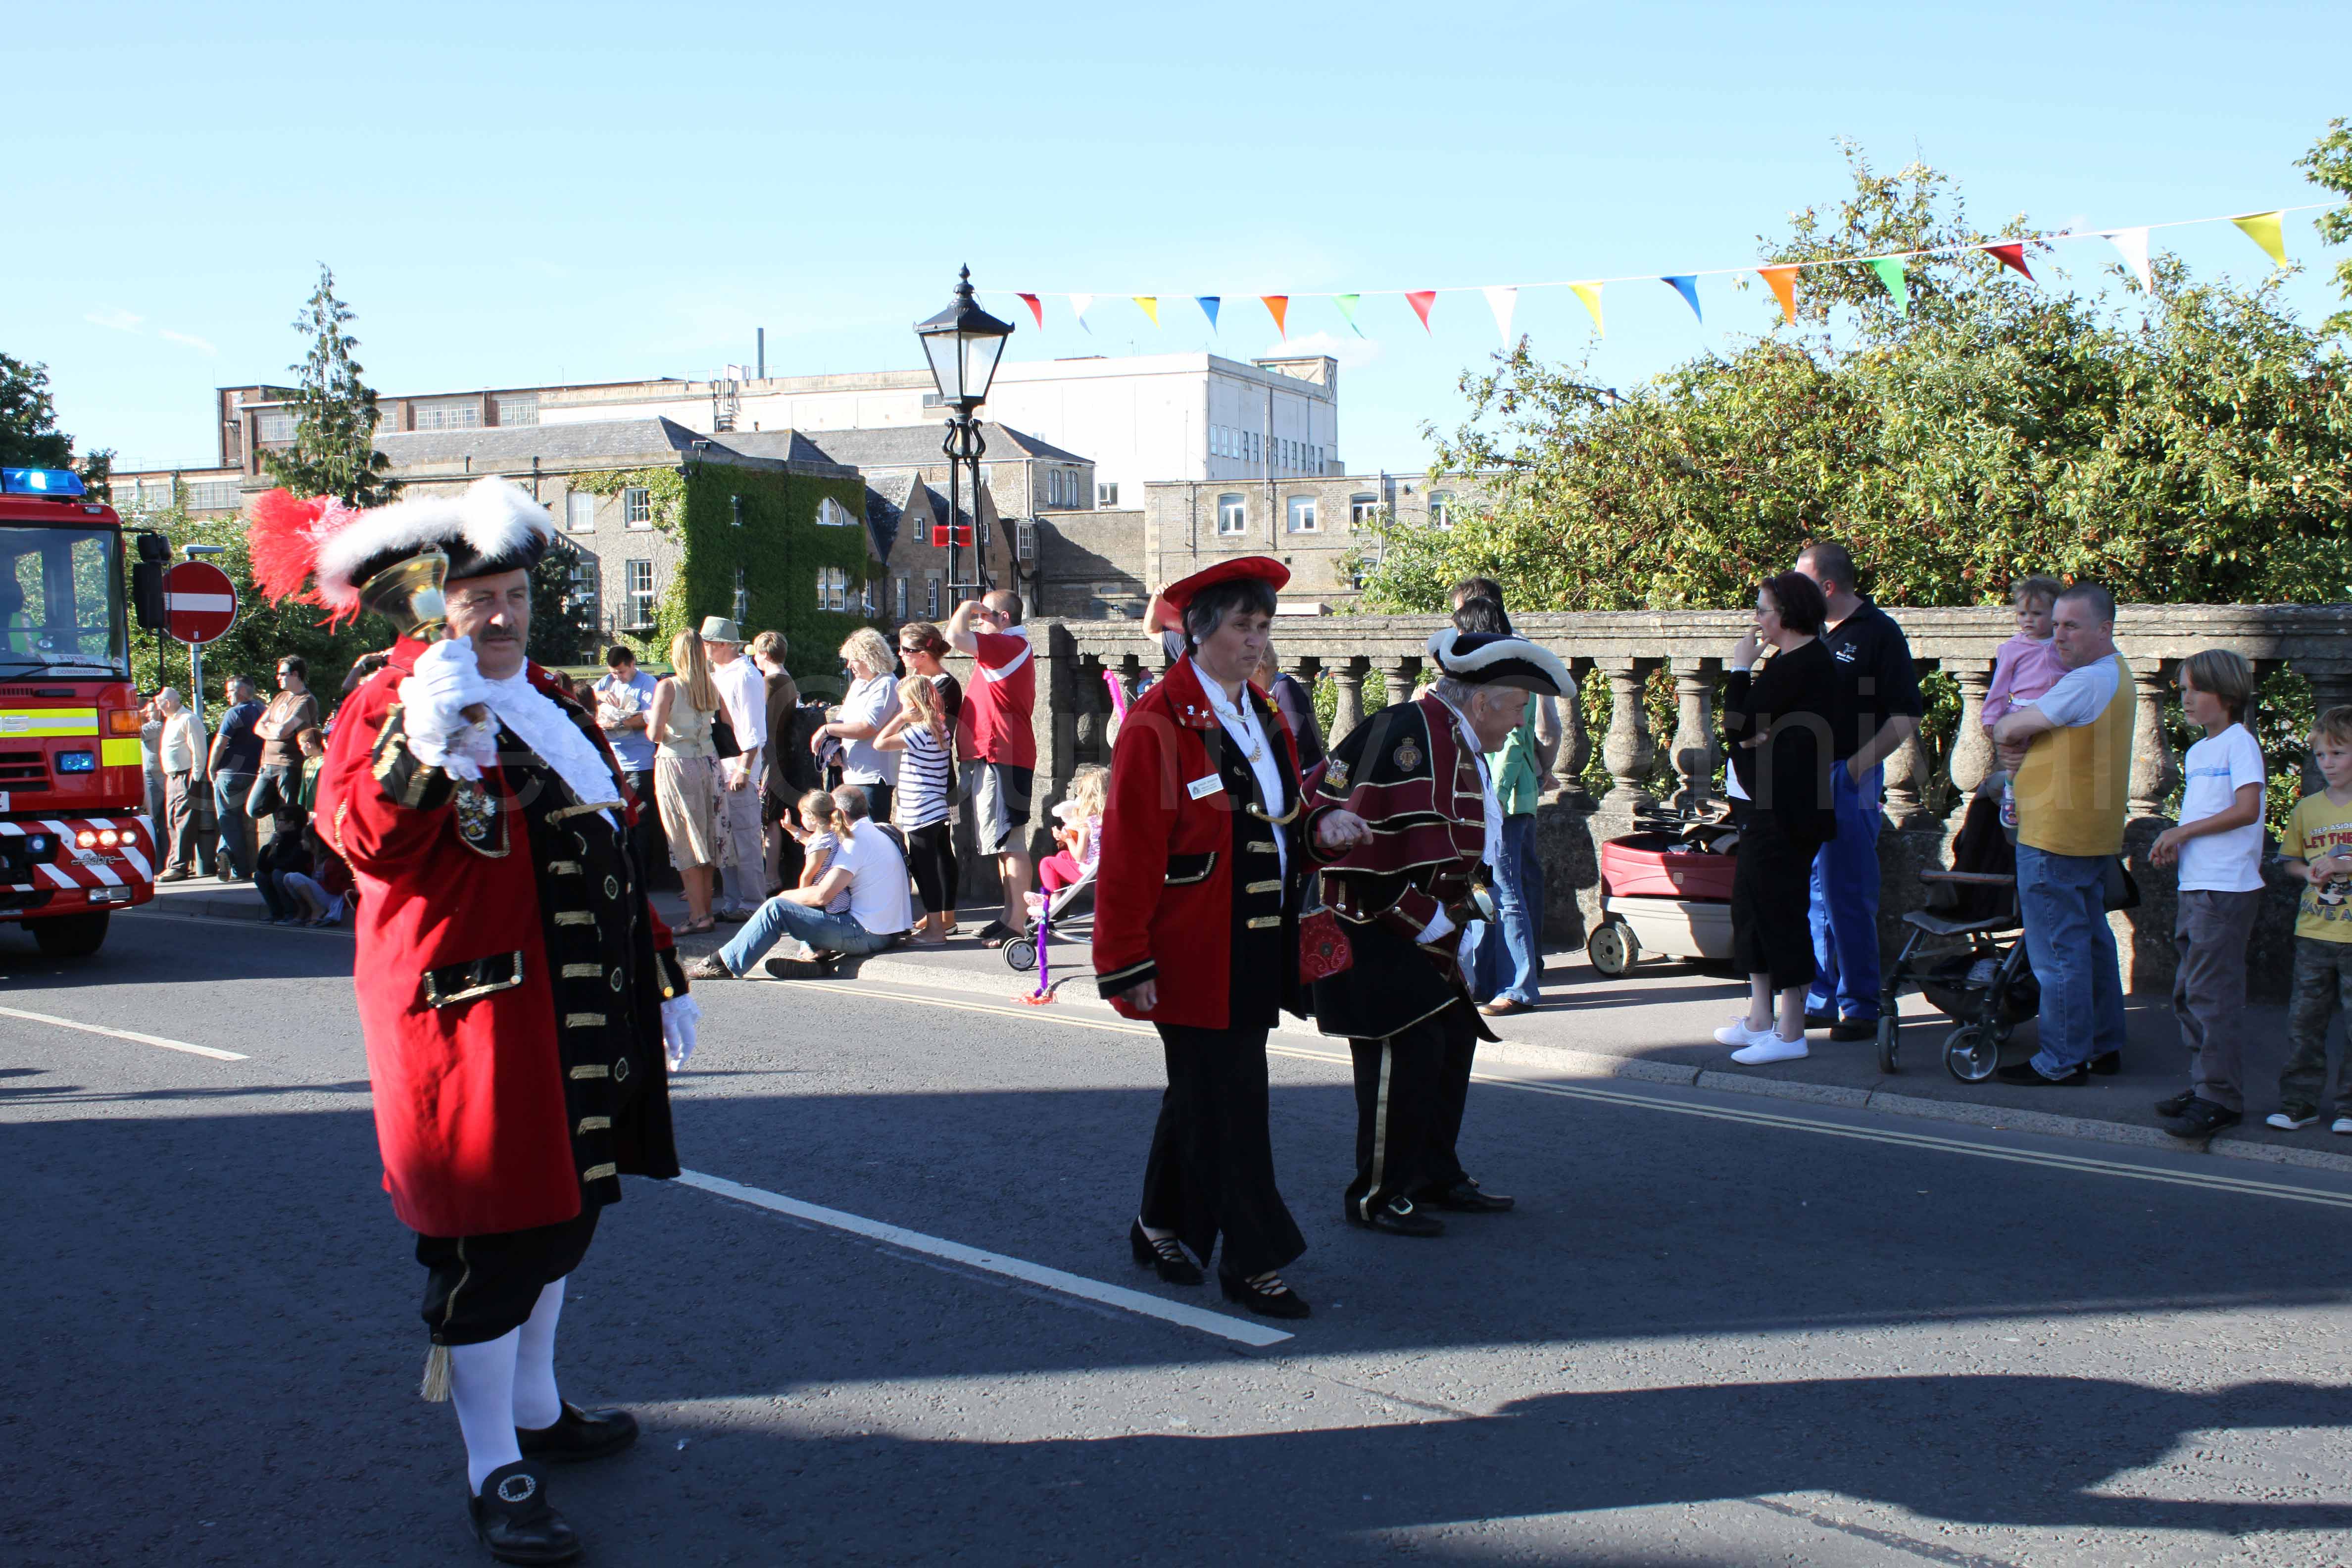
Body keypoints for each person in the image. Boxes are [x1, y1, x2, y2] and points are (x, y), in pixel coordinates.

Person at [255, 474, 698, 1565]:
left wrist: (661, 969)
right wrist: (421, 742)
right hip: (472, 1022)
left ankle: (538, 1407)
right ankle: (493, 1466)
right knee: (494, 1243)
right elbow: (361, 845)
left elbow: (602, 841)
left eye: (513, 596)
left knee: (569, 1213)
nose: (500, 617)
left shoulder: (546, 697)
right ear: (437, 606)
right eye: (476, 600)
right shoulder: (389, 700)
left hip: (581, 1006)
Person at [1095, 557, 1369, 1320]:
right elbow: (1129, 853)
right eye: (1244, 626)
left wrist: (1321, 829)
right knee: (1232, 1107)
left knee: (1202, 1094)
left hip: (1257, 940)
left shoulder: (1261, 711)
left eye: (1264, 626)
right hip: (1191, 950)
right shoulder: (1157, 722)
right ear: (1199, 631)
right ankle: (1254, 1262)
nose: (1257, 641)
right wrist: (1124, 960)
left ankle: (1159, 1225)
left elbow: (1280, 814)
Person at [1307, 624, 1570, 1238]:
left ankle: (1432, 1175)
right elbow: (1344, 835)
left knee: (1453, 1039)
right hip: (1372, 924)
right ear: (1479, 702)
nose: (1519, 722)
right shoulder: (1405, 730)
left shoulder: (1454, 735)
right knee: (1406, 1049)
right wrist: (1423, 917)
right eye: (1516, 708)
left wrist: (1454, 915)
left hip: (1426, 928)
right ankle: (1377, 1195)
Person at [1990, 582, 2135, 1085]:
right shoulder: (2118, 673)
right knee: (2092, 944)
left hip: (2054, 832)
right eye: (2055, 625)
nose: (2058, 636)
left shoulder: (2085, 682)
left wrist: (2009, 735)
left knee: (2057, 952)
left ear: (2105, 628)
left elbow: (2009, 727)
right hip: (2090, 830)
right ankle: (2103, 1045)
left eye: (2071, 626)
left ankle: (2061, 1059)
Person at [1791, 542, 1924, 1041]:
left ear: (1828, 586)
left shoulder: (1878, 633)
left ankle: (1861, 1005)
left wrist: (1853, 771)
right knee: (1812, 894)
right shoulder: (1810, 631)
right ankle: (1821, 998)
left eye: (1802, 582)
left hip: (1850, 777)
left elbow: (1906, 715)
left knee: (1847, 892)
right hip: (1804, 776)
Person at [1712, 572, 1842, 1065]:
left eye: (1762, 610)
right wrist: (1750, 737)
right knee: (1751, 907)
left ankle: (1791, 1033)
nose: (1757, 619)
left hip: (1786, 810)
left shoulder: (1806, 663)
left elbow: (1738, 725)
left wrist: (1739, 670)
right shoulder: (1788, 662)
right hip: (1760, 802)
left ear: (1785, 614)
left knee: (1780, 912)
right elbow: (1746, 732)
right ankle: (1759, 1018)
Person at [2148, 650, 2266, 1137]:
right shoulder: (2200, 752)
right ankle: (2205, 1086)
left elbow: (2246, 809)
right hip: (2197, 885)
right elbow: (2207, 814)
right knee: (2189, 994)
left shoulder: (2240, 743)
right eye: (2182, 690)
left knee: (2212, 997)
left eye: (2197, 689)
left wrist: (2181, 832)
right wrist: (2179, 843)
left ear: (2228, 693)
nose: (2186, 698)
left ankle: (2221, 1098)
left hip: (2226, 888)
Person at [1446, 589, 1560, 1017]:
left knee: (1506, 891)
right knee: (1495, 886)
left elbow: (1513, 741)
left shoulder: (1503, 675)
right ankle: (1495, 978)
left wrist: (1495, 792)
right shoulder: (1514, 665)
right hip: (1513, 789)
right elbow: (1542, 734)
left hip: (1503, 794)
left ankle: (1518, 987)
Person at [688, 781, 913, 980]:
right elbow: (820, 848)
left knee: (777, 908)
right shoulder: (879, 832)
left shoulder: (854, 842)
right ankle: (815, 958)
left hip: (866, 935)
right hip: (888, 933)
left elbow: (823, 895)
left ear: (841, 813)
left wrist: (784, 897)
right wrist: (795, 832)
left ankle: (723, 964)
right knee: (805, 904)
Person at [2267, 706, 2352, 1136]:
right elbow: (2291, 861)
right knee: (2304, 1023)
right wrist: (2311, 872)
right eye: (2321, 755)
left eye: (2338, 753)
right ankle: (2299, 1103)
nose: (2328, 764)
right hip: (2314, 932)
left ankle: (2350, 1106)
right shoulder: (2307, 809)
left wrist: (2342, 863)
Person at [947, 589, 1037, 943]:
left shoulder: (1008, 645)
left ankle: (1018, 922)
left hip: (1004, 753)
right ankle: (1008, 915)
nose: (979, 622)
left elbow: (954, 637)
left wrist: (966, 607)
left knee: (1012, 841)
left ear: (1004, 618)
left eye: (985, 616)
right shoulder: (1006, 647)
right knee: (1002, 843)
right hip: (996, 753)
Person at [647, 629, 722, 934]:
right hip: (708, 762)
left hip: (677, 763)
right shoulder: (710, 686)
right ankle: (706, 913)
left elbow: (654, 734)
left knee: (685, 838)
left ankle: (697, 915)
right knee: (706, 838)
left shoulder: (668, 687)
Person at [876, 672, 958, 944]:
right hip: (933, 808)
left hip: (922, 811)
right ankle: (936, 924)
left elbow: (880, 743)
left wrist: (900, 719)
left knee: (925, 871)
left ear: (913, 704)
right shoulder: (939, 728)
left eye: (903, 703)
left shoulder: (920, 732)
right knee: (930, 867)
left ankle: (936, 930)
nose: (901, 708)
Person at [1980, 575, 2067, 831]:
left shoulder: (2063, 644)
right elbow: (1999, 687)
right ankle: (2011, 794)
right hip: (2022, 710)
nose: (2028, 620)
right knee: (2017, 758)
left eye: (2037, 614)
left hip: (2056, 711)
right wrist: (1990, 717)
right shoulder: (2012, 648)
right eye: (2022, 614)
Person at [700, 616, 770, 921]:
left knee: (745, 837)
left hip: (738, 766)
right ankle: (733, 902)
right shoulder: (720, 674)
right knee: (725, 839)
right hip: (722, 765)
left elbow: (754, 728)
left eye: (707, 643)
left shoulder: (745, 675)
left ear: (722, 645)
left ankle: (752, 901)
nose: (703, 648)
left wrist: (745, 768)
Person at [813, 628, 900, 824]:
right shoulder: (858, 684)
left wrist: (826, 729)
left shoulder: (887, 684)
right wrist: (833, 749)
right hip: (851, 773)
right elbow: (842, 721)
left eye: (854, 660)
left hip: (874, 777)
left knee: (871, 831)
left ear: (870, 657)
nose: (849, 665)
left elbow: (867, 728)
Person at [593, 645, 662, 880]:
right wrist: (601, 695)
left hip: (639, 764)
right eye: (614, 673)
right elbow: (590, 693)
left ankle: (643, 876)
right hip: (615, 762)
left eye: (621, 672)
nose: (618, 677)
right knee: (619, 819)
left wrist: (619, 724)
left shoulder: (647, 683)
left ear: (633, 664)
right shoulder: (609, 682)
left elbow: (651, 718)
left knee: (641, 820)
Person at [748, 631, 802, 887]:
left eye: (756, 653)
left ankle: (770, 876)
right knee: (775, 818)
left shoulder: (769, 683)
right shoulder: (787, 680)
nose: (754, 659)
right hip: (781, 756)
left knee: (769, 819)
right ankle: (772, 876)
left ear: (765, 654)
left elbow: (763, 727)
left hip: (770, 759)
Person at [246, 655, 320, 820]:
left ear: (295, 674)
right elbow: (258, 727)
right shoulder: (280, 697)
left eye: (282, 674)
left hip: (289, 765)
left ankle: (291, 833)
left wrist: (271, 728)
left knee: (288, 816)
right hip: (268, 764)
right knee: (254, 808)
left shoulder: (307, 701)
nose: (278, 677)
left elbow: (283, 730)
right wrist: (275, 731)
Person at [1030, 764, 1107, 923]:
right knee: (1063, 856)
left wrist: (1068, 839)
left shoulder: (1088, 825)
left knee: (1048, 863)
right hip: (1105, 869)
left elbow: (1080, 857)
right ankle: (1060, 903)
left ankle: (1053, 902)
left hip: (1092, 873)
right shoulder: (1107, 819)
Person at [208, 675, 264, 881]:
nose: (227, 695)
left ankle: (237, 865)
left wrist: (211, 768)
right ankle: (230, 857)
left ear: (240, 691)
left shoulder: (235, 713)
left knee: (229, 821)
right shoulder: (263, 710)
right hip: (254, 774)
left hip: (229, 774)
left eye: (230, 691)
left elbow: (220, 743)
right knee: (246, 823)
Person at [153, 687, 206, 881]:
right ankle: (173, 863)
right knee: (171, 822)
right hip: (172, 777)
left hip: (186, 775)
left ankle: (179, 866)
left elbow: (198, 749)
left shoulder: (188, 719)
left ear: (168, 702)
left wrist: (196, 776)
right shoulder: (170, 720)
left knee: (184, 821)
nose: (158, 707)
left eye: (160, 703)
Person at [1253, 638, 1325, 774]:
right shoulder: (1256, 691)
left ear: (1260, 669)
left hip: (1303, 774)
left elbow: (1297, 738)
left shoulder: (1284, 688)